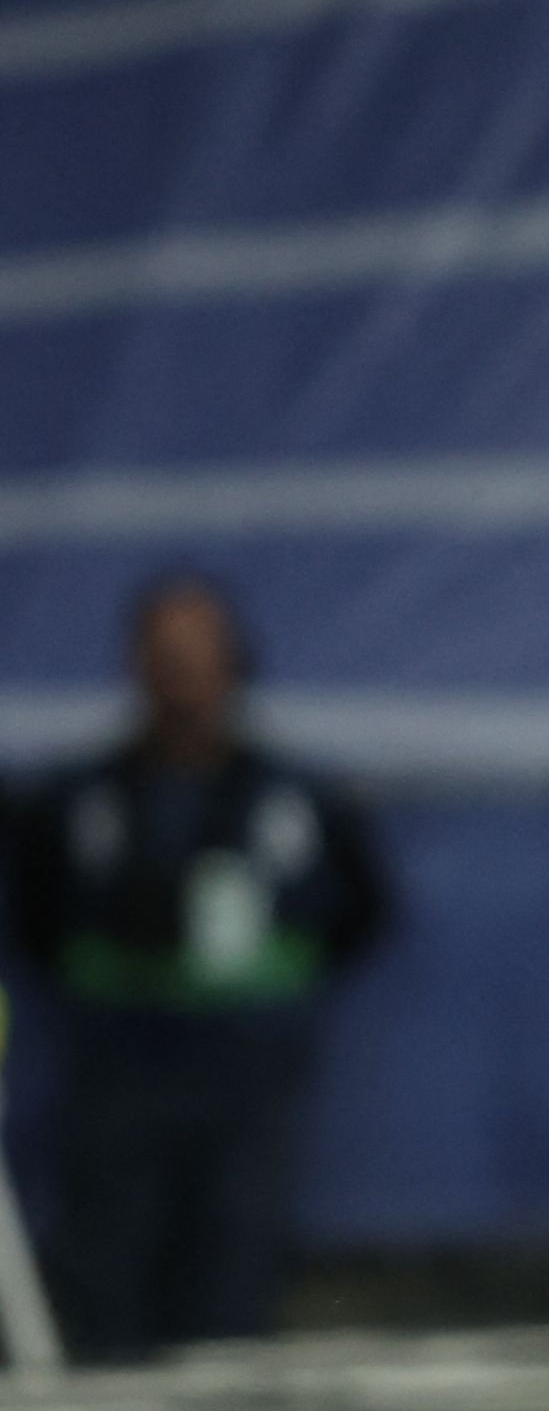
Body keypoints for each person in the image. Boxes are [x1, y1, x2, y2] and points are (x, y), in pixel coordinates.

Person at [5, 574, 389, 1358]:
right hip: (118, 1072)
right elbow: (35, 921)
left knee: (233, 1273)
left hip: (244, 1073)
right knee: (106, 1275)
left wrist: (271, 984)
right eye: (163, 655)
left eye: (197, 655)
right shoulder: (79, 800)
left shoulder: (295, 796)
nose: (180, 676)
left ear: (234, 664)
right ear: (136, 666)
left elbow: (365, 911)